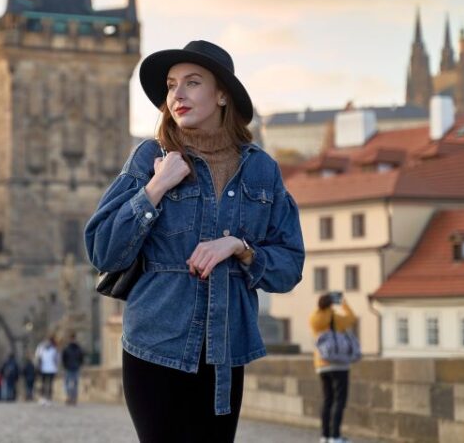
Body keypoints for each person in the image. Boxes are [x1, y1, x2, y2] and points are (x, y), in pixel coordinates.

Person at [85, 40, 305, 443]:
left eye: (192, 82)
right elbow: (101, 247)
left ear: (223, 94)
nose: (177, 95)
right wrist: (156, 186)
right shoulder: (150, 157)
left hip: (224, 350)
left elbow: (290, 266)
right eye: (171, 86)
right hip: (156, 343)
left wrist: (240, 247)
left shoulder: (261, 169)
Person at [310, 294, 357, 443]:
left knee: (327, 400)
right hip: (338, 363)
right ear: (331, 303)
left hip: (322, 363)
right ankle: (335, 436)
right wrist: (343, 303)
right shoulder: (335, 318)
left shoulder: (314, 318)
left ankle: (325, 435)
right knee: (339, 400)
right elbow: (351, 318)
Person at [61, 333, 85, 406]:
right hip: (70, 368)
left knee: (72, 384)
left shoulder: (70, 348)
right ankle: (70, 397)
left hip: (73, 368)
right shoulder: (76, 348)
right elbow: (63, 358)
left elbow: (81, 358)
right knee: (70, 384)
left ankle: (72, 398)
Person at [34, 337, 59, 405]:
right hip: (49, 369)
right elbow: (56, 359)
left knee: (45, 384)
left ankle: (45, 398)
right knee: (47, 384)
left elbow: (37, 357)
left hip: (46, 369)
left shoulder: (41, 348)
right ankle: (47, 398)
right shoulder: (53, 349)